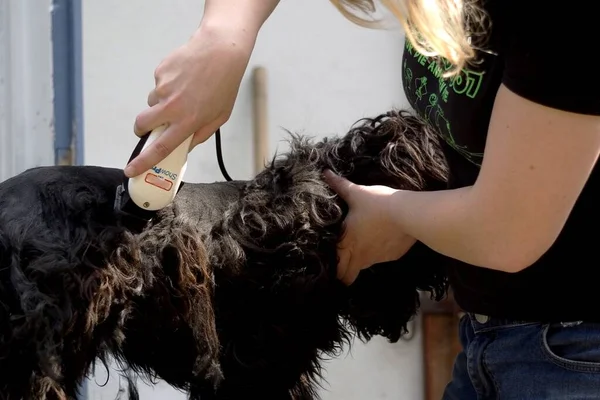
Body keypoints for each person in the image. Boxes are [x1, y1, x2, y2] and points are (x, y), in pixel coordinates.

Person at [127, 0, 600, 398]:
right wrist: (224, 38)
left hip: (575, 354)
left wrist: (394, 214)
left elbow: (509, 230)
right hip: (489, 335)